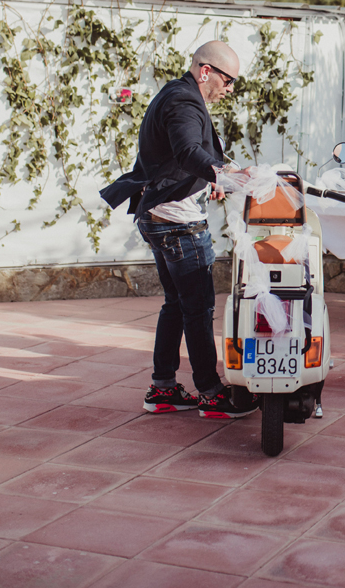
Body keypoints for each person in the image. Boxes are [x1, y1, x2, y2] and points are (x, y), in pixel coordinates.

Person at [100, 41, 258, 420]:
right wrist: (222, 174)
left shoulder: (177, 94)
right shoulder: (185, 102)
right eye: (228, 79)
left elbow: (178, 156)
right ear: (206, 72)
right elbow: (188, 151)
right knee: (198, 309)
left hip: (159, 217)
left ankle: (163, 389)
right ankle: (210, 392)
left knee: (176, 305)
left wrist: (211, 180)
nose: (230, 88)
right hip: (178, 225)